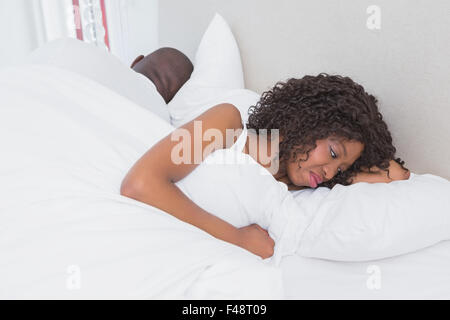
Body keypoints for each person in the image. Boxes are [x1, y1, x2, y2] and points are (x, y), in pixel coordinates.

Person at [120, 73, 410, 259]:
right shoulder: (227, 124)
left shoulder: (289, 186)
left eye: (341, 169)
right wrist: (238, 240)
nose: (331, 173)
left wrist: (353, 165)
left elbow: (395, 174)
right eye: (334, 153)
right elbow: (140, 184)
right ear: (306, 122)